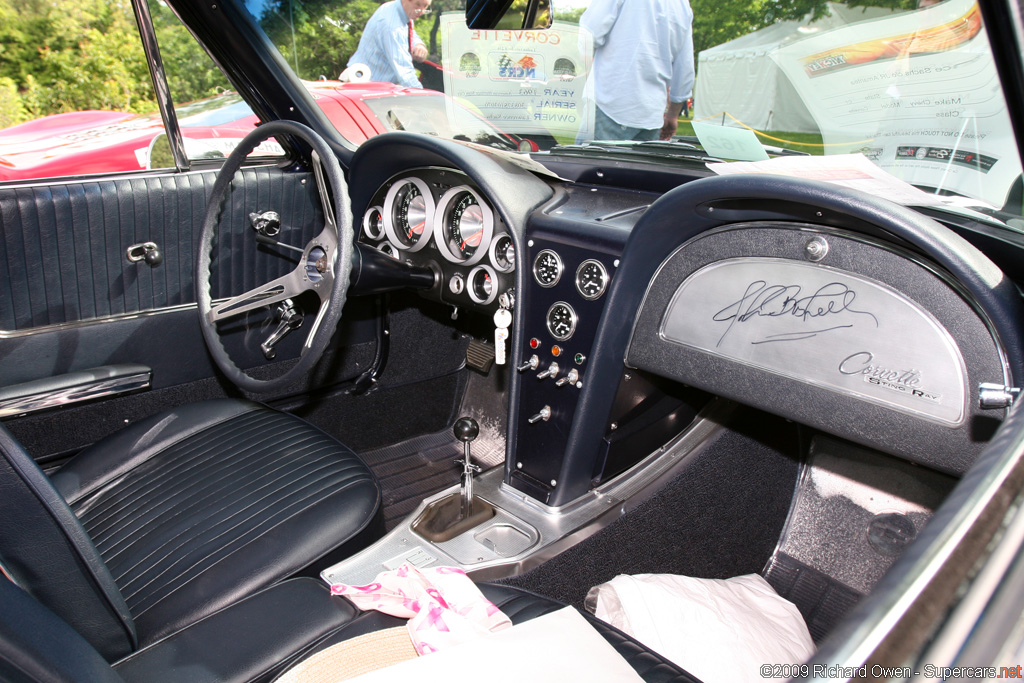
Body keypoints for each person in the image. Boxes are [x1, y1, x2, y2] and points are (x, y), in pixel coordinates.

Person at [578, 0, 694, 142]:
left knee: (588, 163)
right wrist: (673, 115)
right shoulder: (682, 5)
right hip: (652, 116)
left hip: (610, 105)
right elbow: (685, 67)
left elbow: (588, 35)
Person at [347, 0, 432, 89]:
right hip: (364, 86)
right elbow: (405, 72)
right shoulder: (391, 26)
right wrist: (423, 96)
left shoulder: (402, 11)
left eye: (425, 6)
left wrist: (418, 44)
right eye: (417, 5)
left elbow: (408, 32)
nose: (421, 11)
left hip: (375, 85)